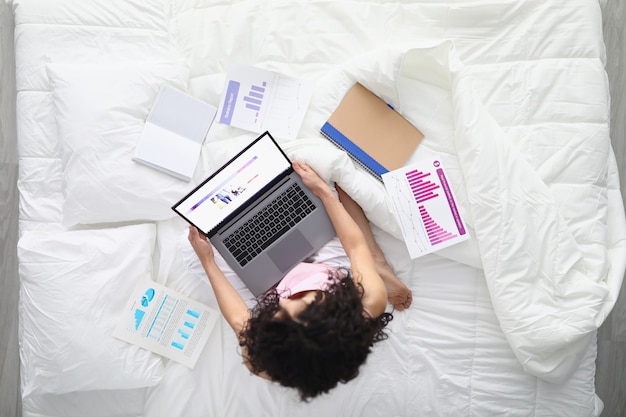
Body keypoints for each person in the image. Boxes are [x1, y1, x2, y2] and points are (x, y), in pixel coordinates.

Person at [188, 160, 412, 401]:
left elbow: (239, 320)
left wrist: (208, 261)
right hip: (327, 269)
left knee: (190, 248)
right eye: (299, 304)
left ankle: (372, 265)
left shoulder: (263, 360)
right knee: (332, 191)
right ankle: (377, 264)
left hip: (269, 286)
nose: (282, 304)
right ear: (337, 308)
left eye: (278, 314)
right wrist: (323, 192)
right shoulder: (368, 302)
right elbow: (356, 247)